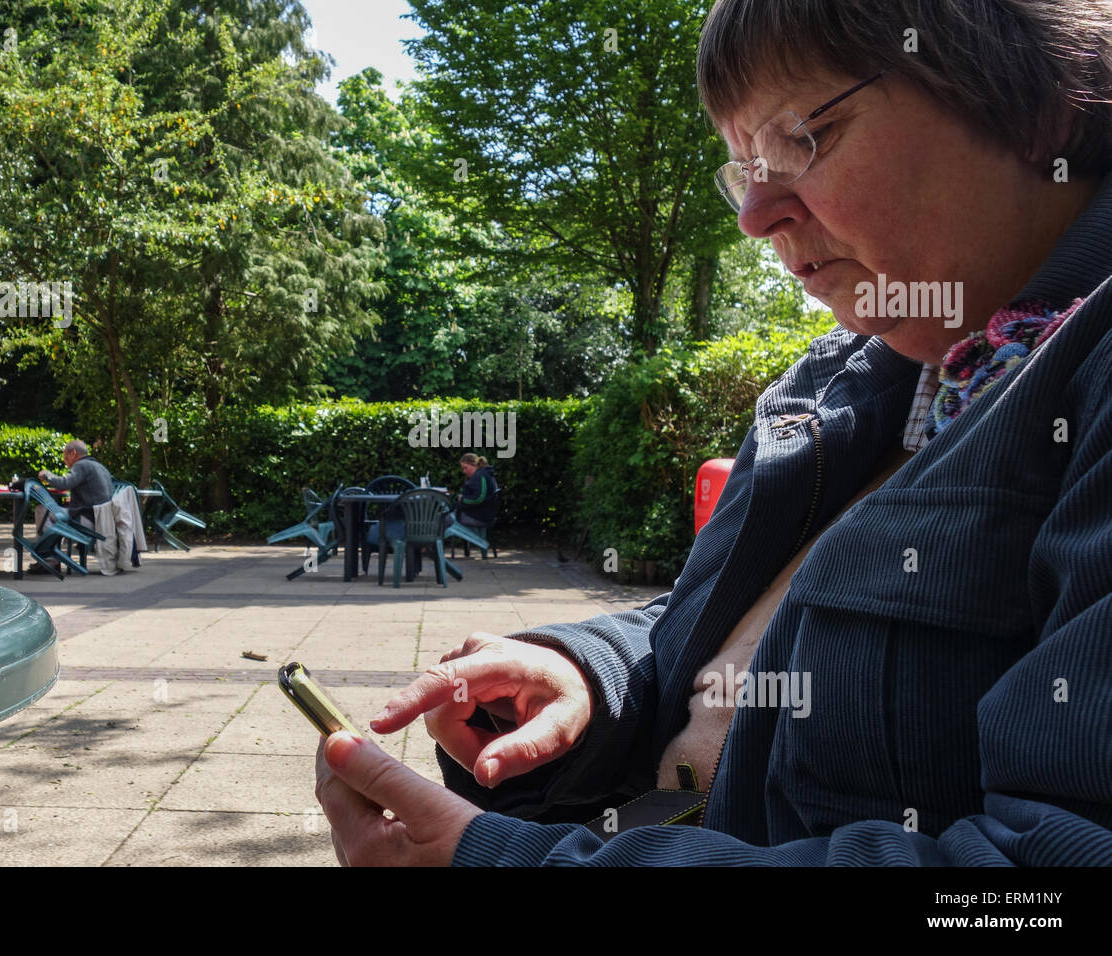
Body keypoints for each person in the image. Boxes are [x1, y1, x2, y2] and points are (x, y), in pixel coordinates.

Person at [314, 0, 1112, 866]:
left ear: (1045, 104)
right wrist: (585, 676)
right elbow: (722, 626)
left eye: (806, 137)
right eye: (741, 171)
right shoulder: (852, 376)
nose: (754, 213)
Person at [29, 439, 114, 573]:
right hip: (101, 521)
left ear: (74, 453)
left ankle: (49, 561)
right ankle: (51, 556)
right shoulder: (100, 467)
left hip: (87, 521)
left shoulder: (82, 465)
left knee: (42, 510)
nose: (65, 461)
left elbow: (64, 483)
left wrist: (46, 475)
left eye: (66, 457)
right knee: (55, 513)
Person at [455, 453, 498, 529]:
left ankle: (435, 540)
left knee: (445, 518)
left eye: (466, 468)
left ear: (474, 465)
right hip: (482, 515)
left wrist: (462, 499)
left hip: (480, 518)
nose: (464, 471)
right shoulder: (484, 473)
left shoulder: (481, 476)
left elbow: (479, 498)